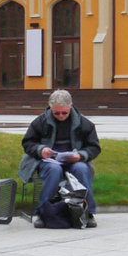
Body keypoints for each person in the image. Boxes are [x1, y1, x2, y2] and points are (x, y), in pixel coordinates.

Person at [20, 89, 103, 227]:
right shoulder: (40, 122)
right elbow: (28, 143)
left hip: (75, 161)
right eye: (56, 113)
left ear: (71, 107)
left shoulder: (85, 124)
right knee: (53, 170)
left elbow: (94, 147)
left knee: (82, 169)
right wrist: (41, 150)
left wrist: (81, 155)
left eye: (64, 112)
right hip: (48, 162)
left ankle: (88, 212)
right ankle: (43, 212)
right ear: (51, 108)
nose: (60, 115)